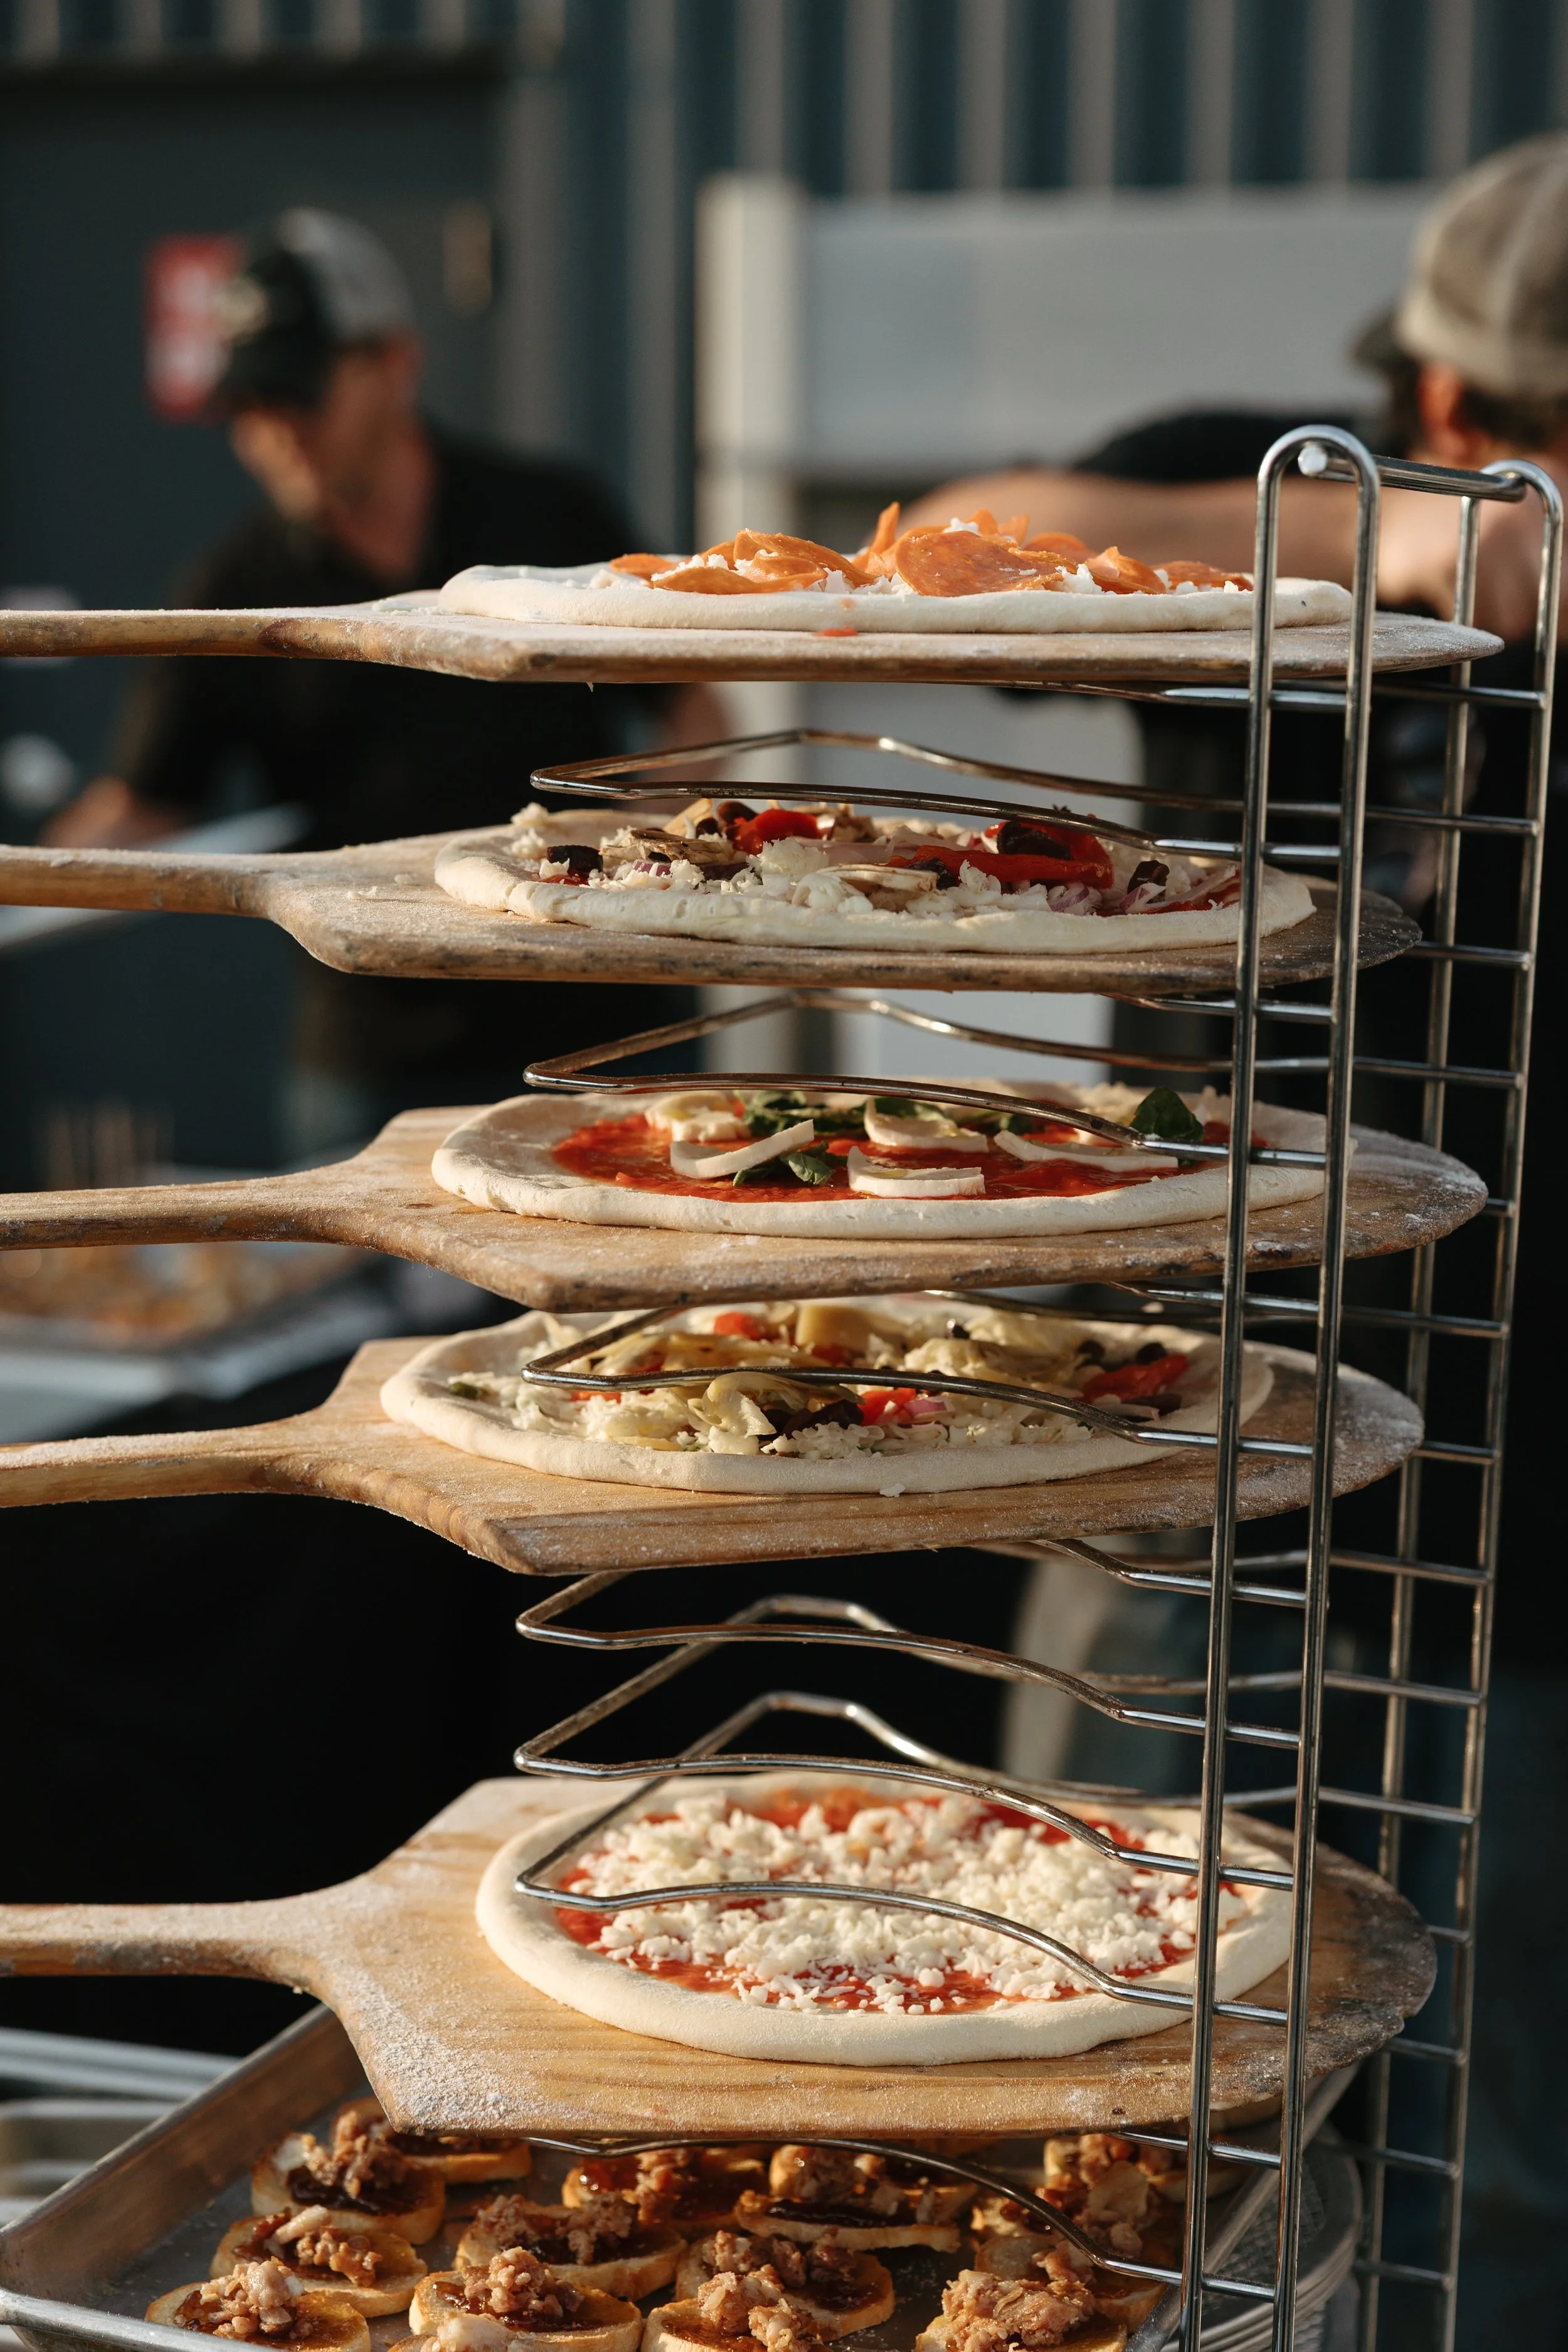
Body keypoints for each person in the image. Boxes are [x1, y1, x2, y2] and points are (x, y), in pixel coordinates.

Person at [912, 136, 1568, 2352]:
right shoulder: (1258, 493)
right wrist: (1402, 553)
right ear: (1466, 414)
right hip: (1178, 1476)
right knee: (1072, 2082)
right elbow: (943, 535)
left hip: (1522, 1568)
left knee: (1496, 2184)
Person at [47, 209, 719, 1140]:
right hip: (376, 1062)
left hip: (604, 1034)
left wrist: (652, 848)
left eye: (298, 392)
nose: (276, 432)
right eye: (249, 407)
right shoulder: (239, 593)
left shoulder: (550, 523)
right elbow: (139, 810)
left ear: (395, 363)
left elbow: (696, 712)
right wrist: (20, 878)